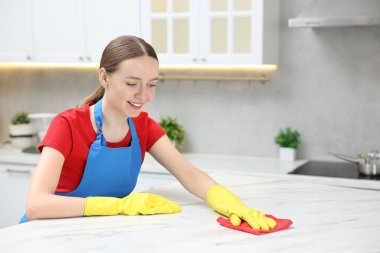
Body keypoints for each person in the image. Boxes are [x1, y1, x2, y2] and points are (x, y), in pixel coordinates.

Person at [21, 35, 276, 231]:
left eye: (152, 85)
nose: (143, 96)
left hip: (98, 234)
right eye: (132, 84)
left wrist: (232, 203)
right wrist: (119, 205)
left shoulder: (144, 127)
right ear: (104, 77)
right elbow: (36, 206)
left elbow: (189, 174)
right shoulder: (67, 125)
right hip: (47, 235)